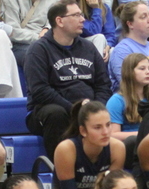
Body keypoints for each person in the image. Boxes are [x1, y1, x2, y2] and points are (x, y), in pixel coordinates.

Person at [24, 0, 113, 160]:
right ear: (59, 21)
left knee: (104, 112)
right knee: (56, 114)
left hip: (85, 107)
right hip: (49, 110)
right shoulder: (38, 50)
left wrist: (95, 106)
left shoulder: (88, 48)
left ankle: (99, 168)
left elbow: (103, 84)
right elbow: (40, 91)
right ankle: (61, 168)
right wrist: (74, 108)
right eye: (76, 15)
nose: (82, 19)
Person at [108, 2, 149, 92]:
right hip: (139, 103)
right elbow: (129, 85)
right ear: (130, 24)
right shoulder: (122, 50)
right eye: (143, 17)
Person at [107, 53, 149, 140]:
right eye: (142, 69)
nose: (148, 72)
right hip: (129, 147)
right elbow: (112, 135)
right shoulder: (116, 101)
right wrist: (143, 134)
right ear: (129, 72)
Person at [5, 0, 59, 67]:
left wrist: (47, 28)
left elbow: (57, 21)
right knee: (38, 55)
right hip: (20, 43)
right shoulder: (10, 1)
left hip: (47, 41)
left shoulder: (55, 2)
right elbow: (12, 31)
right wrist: (40, 38)